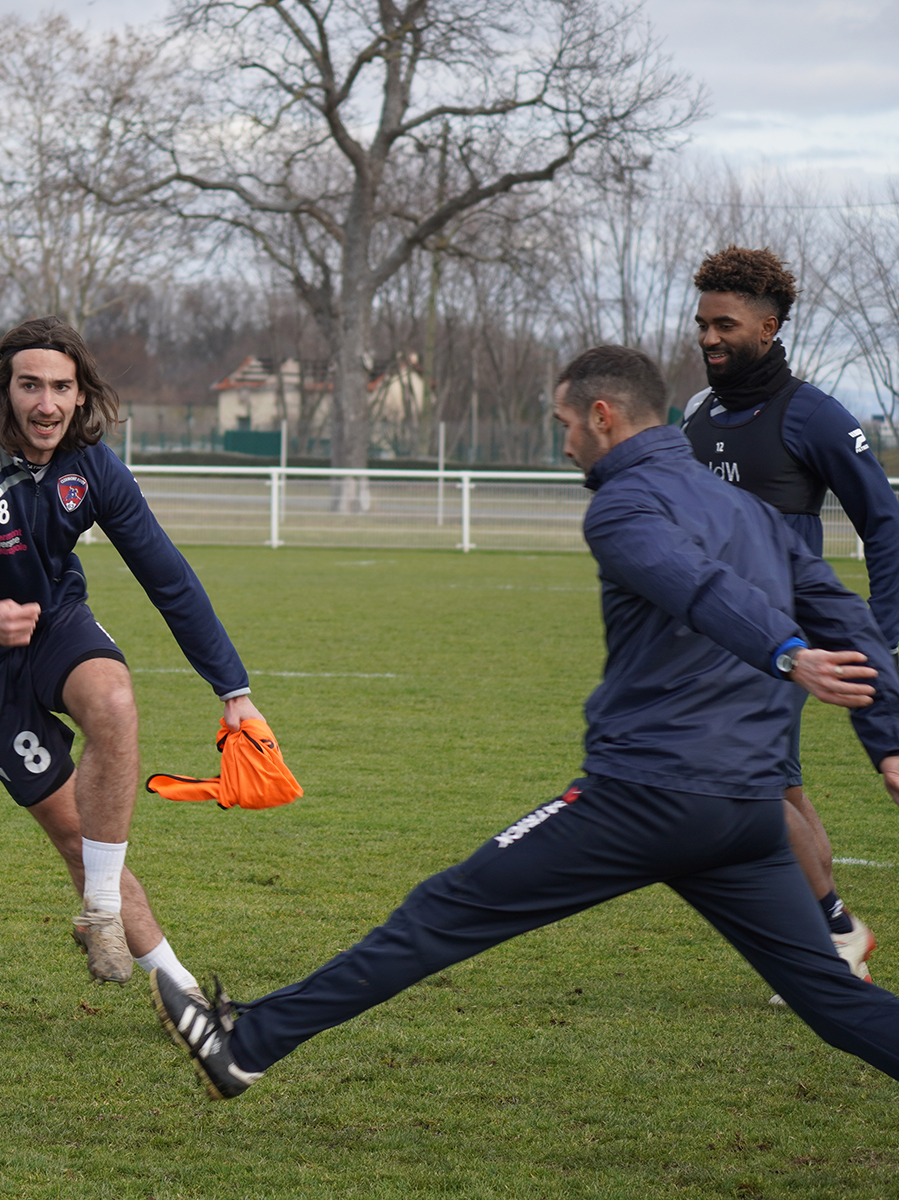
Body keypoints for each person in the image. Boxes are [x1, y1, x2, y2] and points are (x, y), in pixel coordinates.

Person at [152, 345, 899, 1100]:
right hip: (745, 814)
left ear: (603, 418)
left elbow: (691, 583)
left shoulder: (622, 508)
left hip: (647, 798)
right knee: (836, 1003)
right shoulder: (753, 513)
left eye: (565, 423)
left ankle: (245, 1045)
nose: (564, 441)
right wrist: (890, 742)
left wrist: (785, 653)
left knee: (442, 912)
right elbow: (851, 619)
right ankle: (248, 1042)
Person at [0, 315, 264, 990]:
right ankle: (181, 990)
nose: (45, 403)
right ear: (5, 390)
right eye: (30, 385)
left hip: (55, 623)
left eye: (60, 387)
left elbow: (169, 579)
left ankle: (103, 914)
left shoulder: (93, 468)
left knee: (113, 701)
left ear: (82, 395)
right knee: (77, 837)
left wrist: (234, 692)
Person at [683, 246, 899, 988]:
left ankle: (834, 934)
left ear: (769, 327)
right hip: (712, 636)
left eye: (726, 324)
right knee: (777, 786)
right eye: (703, 323)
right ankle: (831, 930)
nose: (709, 337)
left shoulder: (816, 415)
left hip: (779, 637)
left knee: (736, 777)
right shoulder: (696, 413)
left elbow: (885, 522)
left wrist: (883, 626)